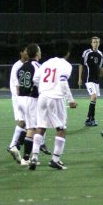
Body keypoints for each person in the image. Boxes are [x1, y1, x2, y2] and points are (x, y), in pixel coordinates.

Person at [29, 39, 77, 171]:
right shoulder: (66, 65)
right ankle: (55, 159)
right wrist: (70, 100)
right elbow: (62, 82)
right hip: (55, 98)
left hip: (43, 97)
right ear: (67, 52)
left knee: (41, 127)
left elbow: (35, 79)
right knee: (61, 129)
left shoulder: (46, 63)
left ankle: (34, 157)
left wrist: (44, 88)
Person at [16, 43, 42, 166]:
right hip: (30, 99)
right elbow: (38, 82)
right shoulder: (37, 66)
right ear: (37, 53)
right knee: (32, 128)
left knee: (28, 126)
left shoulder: (21, 67)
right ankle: (26, 158)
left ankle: (17, 145)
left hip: (20, 98)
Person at [78, 36, 103, 126]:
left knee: (94, 99)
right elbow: (81, 64)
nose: (95, 43)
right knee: (94, 96)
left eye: (97, 42)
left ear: (99, 43)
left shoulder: (100, 54)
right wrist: (79, 78)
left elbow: (101, 67)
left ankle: (91, 119)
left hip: (96, 80)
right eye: (94, 42)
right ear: (91, 43)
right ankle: (89, 118)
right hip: (88, 79)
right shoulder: (87, 53)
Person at [7, 44, 28, 163]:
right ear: (21, 53)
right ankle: (13, 145)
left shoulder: (27, 65)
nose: (27, 53)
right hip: (19, 98)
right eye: (25, 51)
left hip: (24, 97)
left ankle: (17, 147)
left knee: (27, 123)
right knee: (23, 122)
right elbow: (17, 86)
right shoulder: (17, 66)